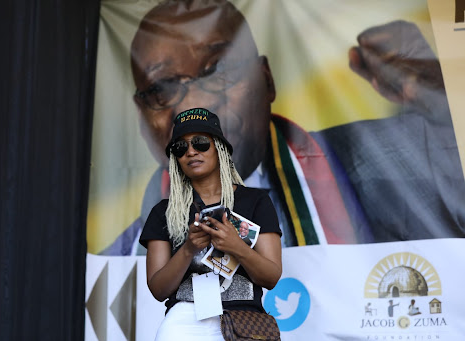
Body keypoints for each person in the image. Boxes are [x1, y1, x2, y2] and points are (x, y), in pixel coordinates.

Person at [101, 0, 465, 255]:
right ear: (142, 118)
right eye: (162, 89)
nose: (196, 105)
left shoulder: (397, 163)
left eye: (217, 69)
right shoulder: (120, 265)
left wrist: (445, 101)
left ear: (266, 82)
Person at [139, 107, 282, 340]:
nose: (191, 152)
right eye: (181, 147)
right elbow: (158, 289)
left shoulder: (255, 201)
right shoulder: (163, 212)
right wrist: (188, 249)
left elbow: (271, 277)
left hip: (244, 322)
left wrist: (235, 245)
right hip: (184, 320)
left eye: (200, 143)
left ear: (220, 149)